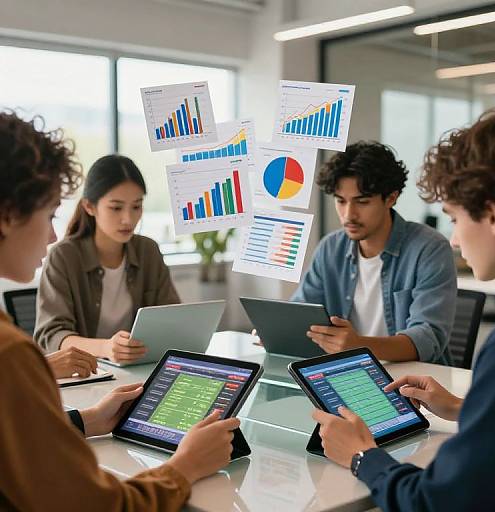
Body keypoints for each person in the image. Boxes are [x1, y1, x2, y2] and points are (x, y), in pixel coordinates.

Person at [0, 110, 239, 510]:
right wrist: (185, 465)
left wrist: (87, 420)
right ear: (8, 216)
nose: (53, 232)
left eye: (137, 207)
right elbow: (95, 506)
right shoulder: (12, 354)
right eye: (49, 214)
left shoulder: (146, 250)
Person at [312, 110, 495, 511]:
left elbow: (436, 502)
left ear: (491, 215)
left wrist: (361, 456)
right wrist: (462, 407)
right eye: (341, 201)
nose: (454, 239)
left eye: (455, 218)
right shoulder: (331, 248)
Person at [291, 141, 457, 363]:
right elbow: (301, 311)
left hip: (415, 382)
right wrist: (281, 332)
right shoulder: (330, 248)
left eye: (362, 202)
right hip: (348, 373)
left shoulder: (429, 248)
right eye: (341, 201)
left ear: (391, 198)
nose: (349, 214)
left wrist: (359, 346)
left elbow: (428, 338)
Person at [35, 154, 180, 367]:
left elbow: (173, 317)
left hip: (139, 370)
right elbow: (52, 336)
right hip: (88, 374)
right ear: (90, 207)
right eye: (116, 207)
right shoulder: (64, 256)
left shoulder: (148, 251)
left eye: (136, 206)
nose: (128, 219)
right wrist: (105, 348)